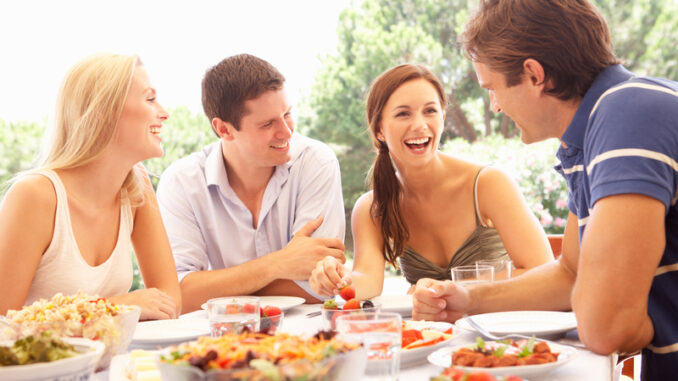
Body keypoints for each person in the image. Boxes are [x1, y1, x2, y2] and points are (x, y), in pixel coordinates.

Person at [411, 1, 678, 379]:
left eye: (492, 88)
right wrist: (469, 299)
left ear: (534, 75)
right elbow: (571, 272)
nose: (496, 106)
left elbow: (605, 328)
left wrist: (651, 324)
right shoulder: (590, 135)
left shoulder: (629, 116)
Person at [309, 63, 554, 300]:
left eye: (430, 111)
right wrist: (337, 279)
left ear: (443, 118)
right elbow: (368, 282)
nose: (419, 125)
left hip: (505, 330)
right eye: (403, 113)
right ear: (379, 130)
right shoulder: (373, 208)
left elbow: (542, 271)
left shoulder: (488, 184)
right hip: (435, 338)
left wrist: (450, 288)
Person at [156, 54, 346, 312]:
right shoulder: (181, 183)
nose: (287, 132)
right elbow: (177, 296)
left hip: (309, 334)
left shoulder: (315, 162)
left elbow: (321, 287)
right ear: (223, 129)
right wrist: (279, 264)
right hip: (221, 339)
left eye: (287, 114)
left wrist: (217, 286)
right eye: (268, 124)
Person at [0, 53, 182, 320]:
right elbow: (4, 319)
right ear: (105, 112)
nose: (164, 113)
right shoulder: (35, 195)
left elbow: (170, 300)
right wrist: (117, 307)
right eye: (150, 99)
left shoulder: (136, 187)